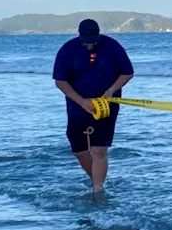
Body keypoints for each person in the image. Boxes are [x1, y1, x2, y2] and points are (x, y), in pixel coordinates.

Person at [53, 19, 135, 194]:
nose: (90, 45)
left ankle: (98, 189)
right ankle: (96, 180)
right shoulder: (68, 50)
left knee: (98, 149)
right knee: (80, 151)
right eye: (87, 42)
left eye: (94, 41)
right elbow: (60, 81)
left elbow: (127, 72)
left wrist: (112, 89)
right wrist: (82, 101)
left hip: (106, 104)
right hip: (77, 105)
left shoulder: (112, 46)